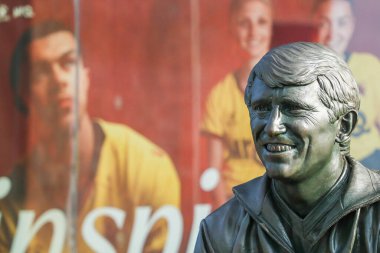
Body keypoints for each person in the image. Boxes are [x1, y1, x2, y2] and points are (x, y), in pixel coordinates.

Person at [0, 21, 180, 252]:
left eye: (68, 63)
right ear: (24, 94)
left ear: (85, 76)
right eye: (41, 71)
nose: (59, 80)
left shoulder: (146, 167)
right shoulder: (11, 199)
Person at [195, 42, 380, 252]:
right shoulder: (221, 231)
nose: (273, 127)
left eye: (293, 108)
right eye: (262, 108)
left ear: (343, 125)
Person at [201, 0, 272, 208]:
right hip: (236, 206)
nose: (253, 32)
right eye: (244, 23)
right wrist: (225, 221)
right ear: (232, 28)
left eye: (261, 22)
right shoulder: (219, 96)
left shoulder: (288, 90)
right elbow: (213, 172)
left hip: (278, 207)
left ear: (271, 27)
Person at [312, 0, 380, 168]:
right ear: (314, 24)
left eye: (341, 23)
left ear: (351, 25)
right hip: (326, 167)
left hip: (370, 161)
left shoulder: (369, 66)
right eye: (323, 24)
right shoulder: (303, 73)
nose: (332, 34)